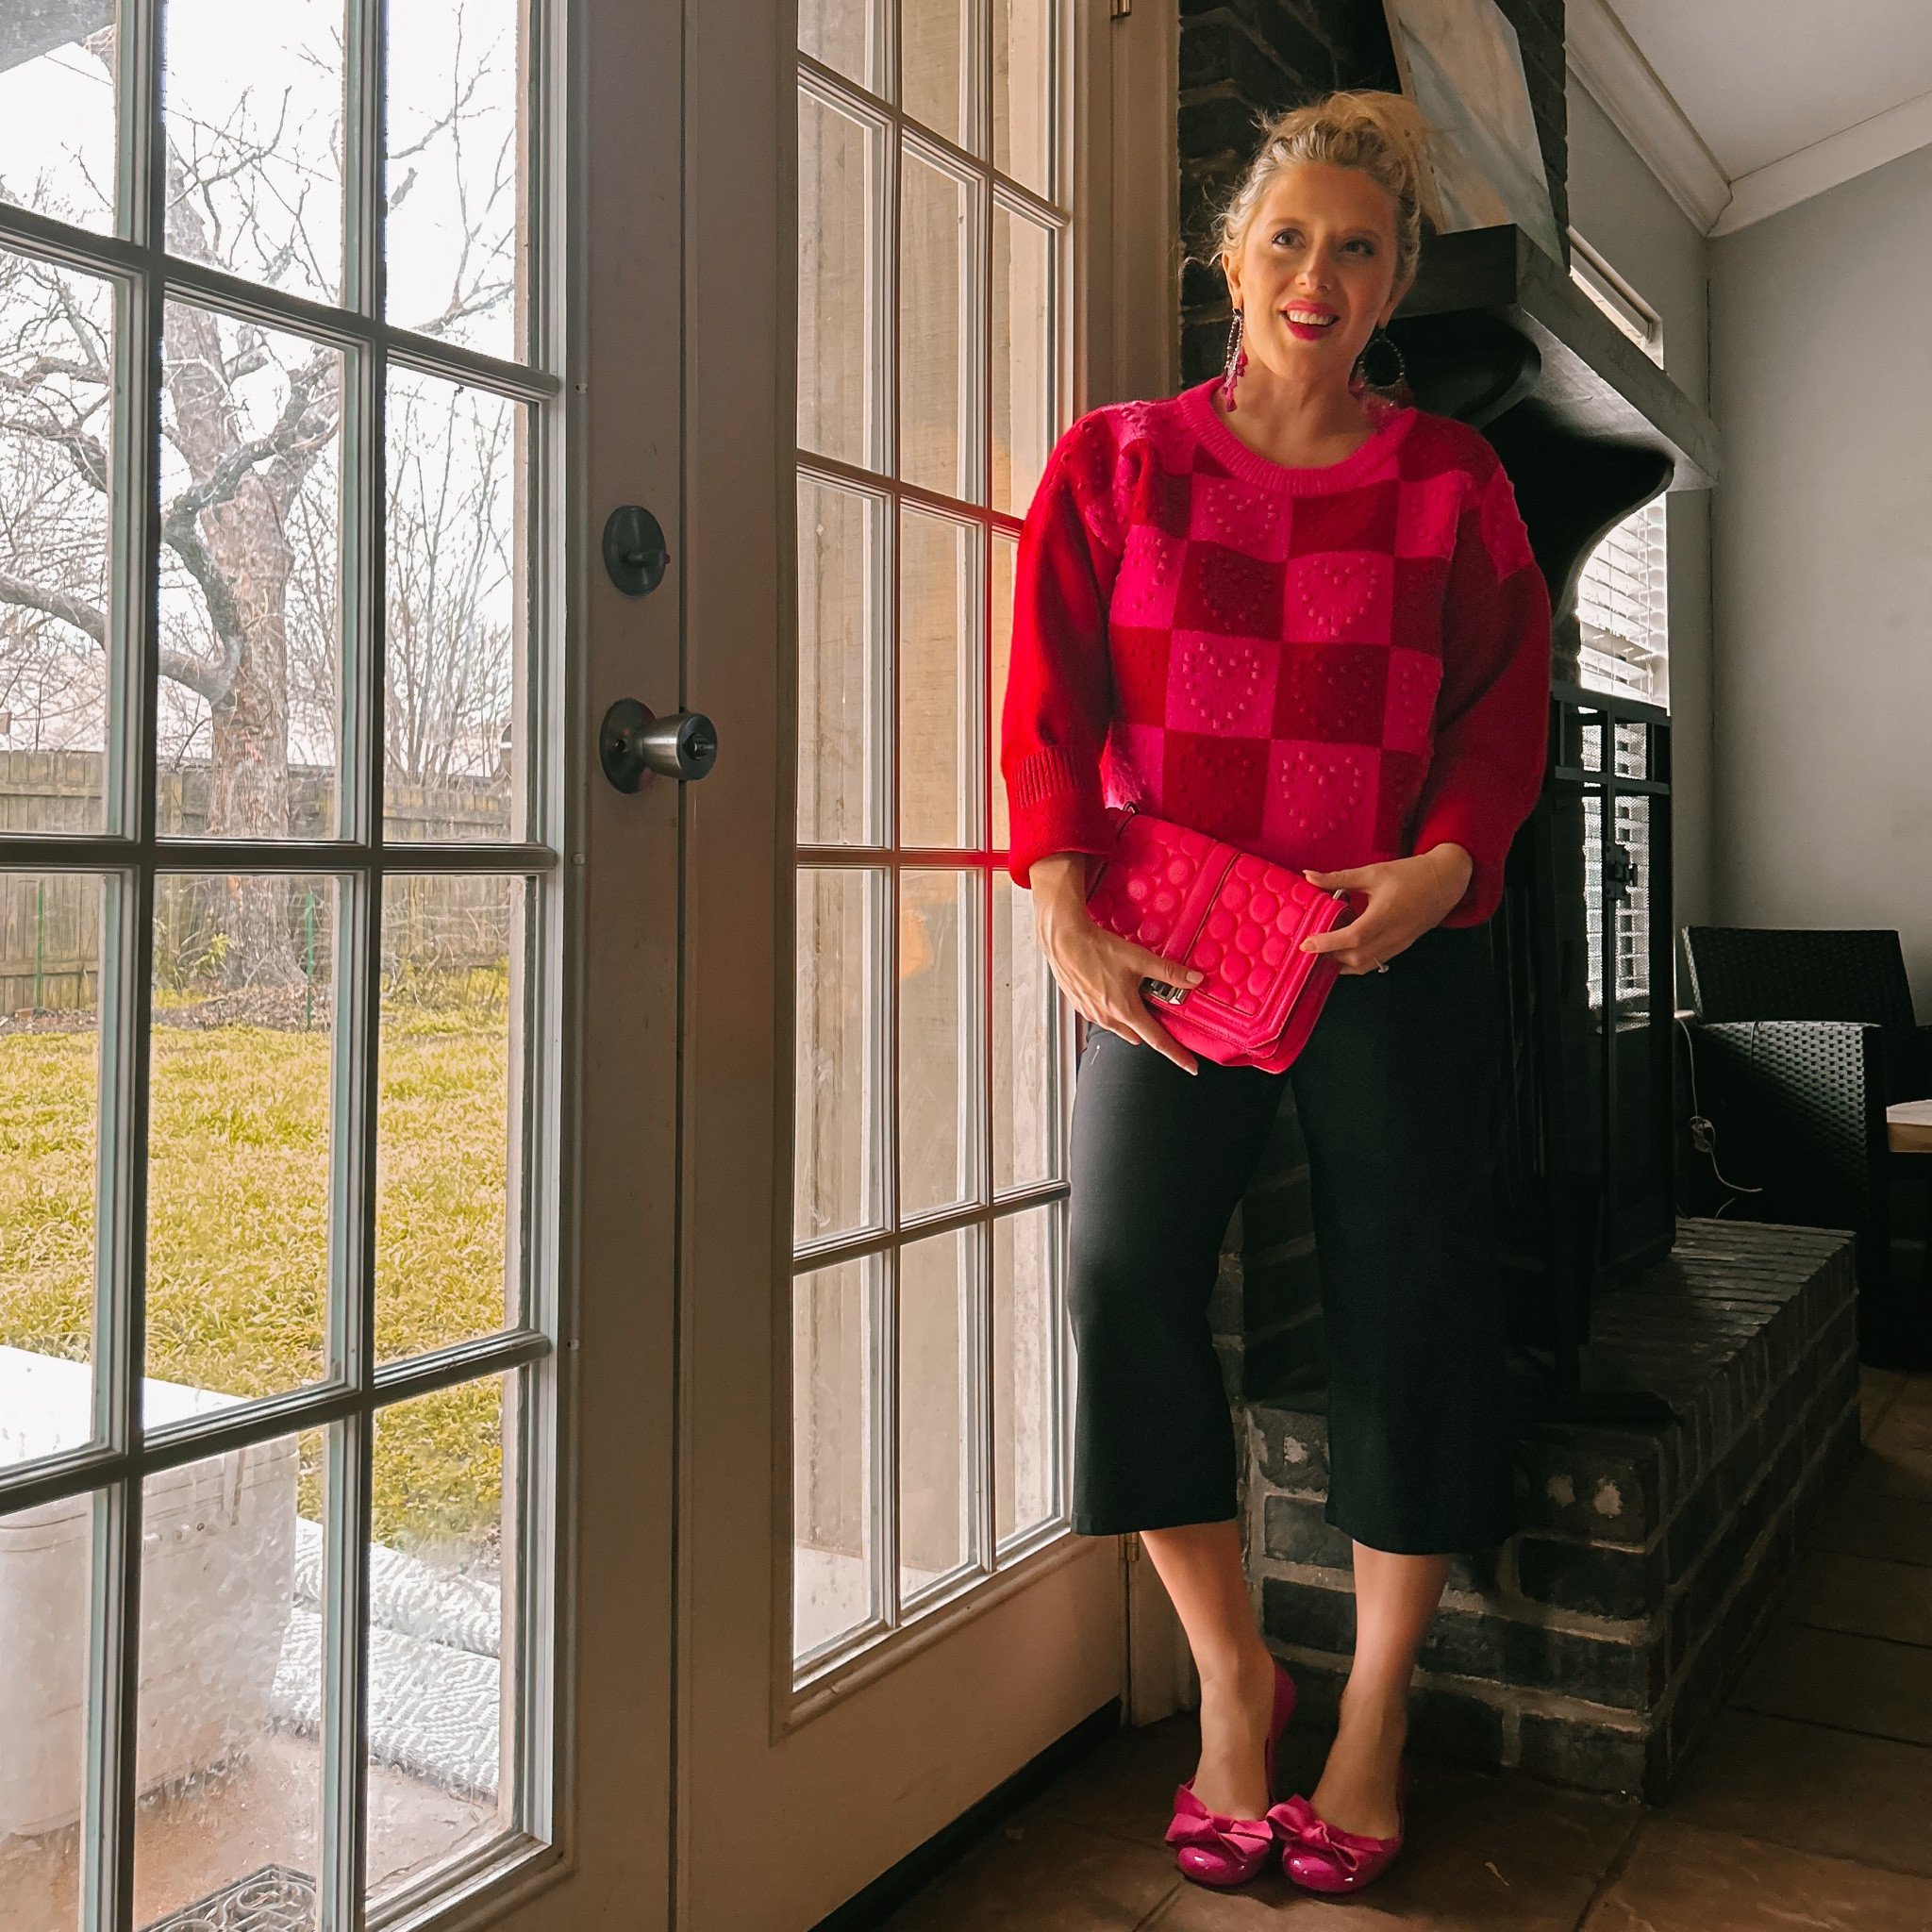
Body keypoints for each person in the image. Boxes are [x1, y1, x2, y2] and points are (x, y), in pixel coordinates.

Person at [1000, 92, 1551, 1894]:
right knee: (1123, 1279)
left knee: (1415, 1299)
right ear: (1231, 259)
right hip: (1177, 953)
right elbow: (1052, 714)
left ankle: (1376, 1715)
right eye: (1291, 239)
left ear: (1395, 286)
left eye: (1362, 248)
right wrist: (1066, 910)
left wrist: (1446, 871)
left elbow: (1502, 708)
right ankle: (1238, 1675)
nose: (1322, 274)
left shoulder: (1453, 484)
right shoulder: (1116, 466)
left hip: (1385, 948)